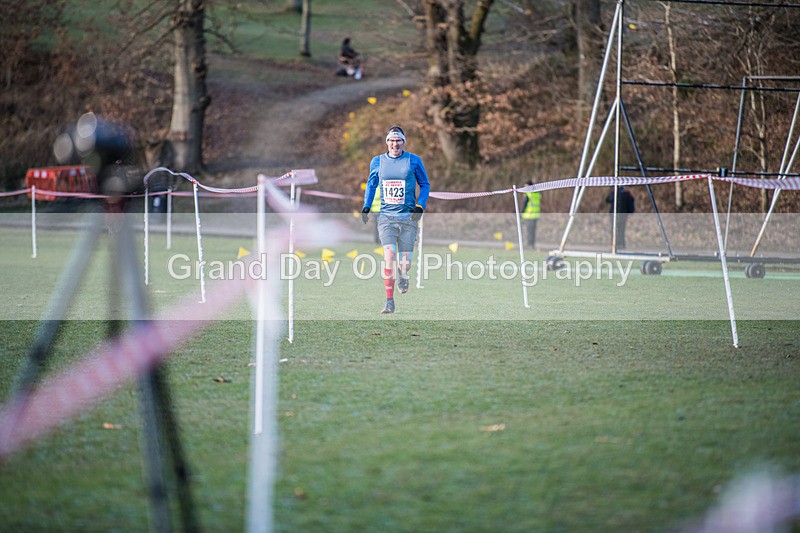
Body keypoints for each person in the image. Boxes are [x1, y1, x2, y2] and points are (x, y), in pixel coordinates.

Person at [361, 125, 430, 314]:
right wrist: (367, 205)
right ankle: (389, 301)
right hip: (386, 218)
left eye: (398, 140)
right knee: (389, 255)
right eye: (391, 140)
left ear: (403, 142)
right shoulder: (377, 162)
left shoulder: (414, 161)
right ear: (387, 142)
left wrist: (420, 206)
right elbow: (371, 184)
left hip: (408, 218)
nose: (395, 144)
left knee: (405, 262)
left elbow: (425, 185)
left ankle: (403, 274)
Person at [521, 179, 541, 248]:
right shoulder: (537, 193)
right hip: (536, 215)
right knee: (533, 231)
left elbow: (524, 204)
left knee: (529, 231)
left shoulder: (528, 194)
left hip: (529, 215)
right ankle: (532, 244)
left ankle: (529, 244)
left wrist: (521, 213)